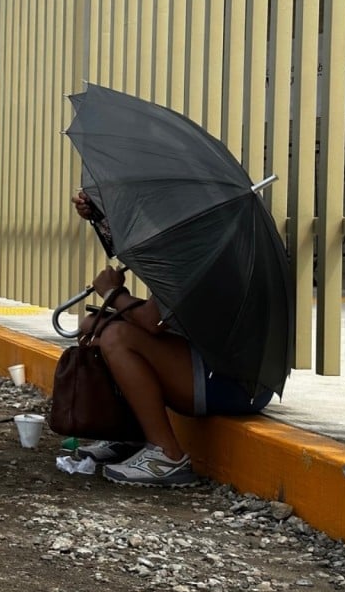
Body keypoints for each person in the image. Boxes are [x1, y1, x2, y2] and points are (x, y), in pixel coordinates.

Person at [70, 190, 273, 487]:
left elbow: (153, 322)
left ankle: (167, 455)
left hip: (230, 383)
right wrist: (98, 215)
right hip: (205, 363)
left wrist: (114, 294)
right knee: (93, 326)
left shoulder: (203, 252)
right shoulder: (201, 239)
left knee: (117, 337)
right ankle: (129, 435)